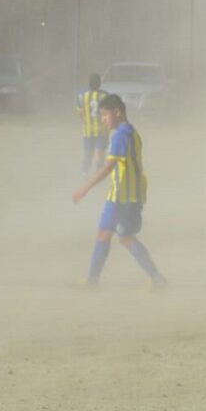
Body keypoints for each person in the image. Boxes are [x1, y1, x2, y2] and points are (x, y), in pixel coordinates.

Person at [72, 94, 167, 291]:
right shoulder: (131, 132)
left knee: (110, 236)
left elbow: (108, 167)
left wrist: (84, 188)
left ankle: (93, 281)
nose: (103, 120)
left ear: (118, 112)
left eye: (105, 115)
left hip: (120, 197)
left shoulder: (121, 134)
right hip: (129, 195)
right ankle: (155, 278)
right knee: (118, 236)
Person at [76, 73, 109, 177]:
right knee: (99, 154)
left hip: (88, 131)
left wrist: (87, 120)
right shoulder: (105, 96)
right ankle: (98, 174)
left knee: (88, 154)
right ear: (100, 83)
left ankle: (84, 172)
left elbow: (80, 113)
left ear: (89, 83)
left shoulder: (82, 96)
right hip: (102, 132)